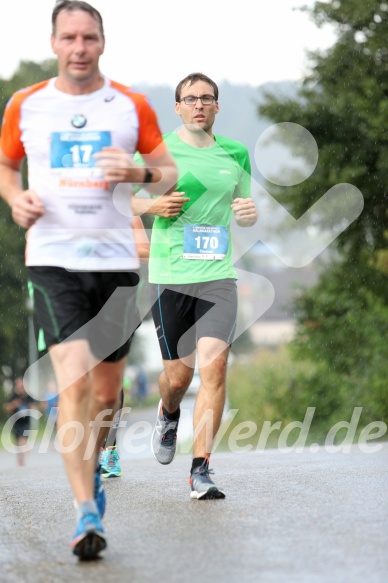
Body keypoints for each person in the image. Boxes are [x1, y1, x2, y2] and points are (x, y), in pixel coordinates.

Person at [0, 0, 178, 559]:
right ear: (55, 43)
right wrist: (14, 199)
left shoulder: (131, 105)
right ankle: (85, 513)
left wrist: (139, 173)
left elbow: (167, 169)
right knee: (74, 382)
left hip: (117, 264)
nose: (79, 48)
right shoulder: (25, 105)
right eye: (69, 37)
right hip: (53, 258)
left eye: (89, 38)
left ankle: (93, 472)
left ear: (102, 43)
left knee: (105, 394)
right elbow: (6, 166)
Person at [134, 72, 258, 500]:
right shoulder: (160, 150)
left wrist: (248, 214)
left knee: (215, 366)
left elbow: (245, 210)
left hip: (219, 275)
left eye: (207, 98)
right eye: (191, 99)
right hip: (172, 277)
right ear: (178, 107)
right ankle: (168, 413)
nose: (199, 105)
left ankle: (200, 470)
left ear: (217, 107)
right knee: (177, 377)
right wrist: (152, 204)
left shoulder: (236, 153)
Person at [99, 215, 150, 479]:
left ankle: (109, 449)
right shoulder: (74, 204)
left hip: (119, 304)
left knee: (112, 381)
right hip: (81, 302)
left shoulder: (126, 210)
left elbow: (146, 250)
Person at [3, 377, 39, 466]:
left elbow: (36, 407)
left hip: (26, 422)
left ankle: (22, 458)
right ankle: (21, 457)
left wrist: (32, 407)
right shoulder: (14, 396)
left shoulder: (28, 396)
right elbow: (6, 407)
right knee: (19, 441)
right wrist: (14, 404)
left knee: (24, 441)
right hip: (17, 422)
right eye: (20, 386)